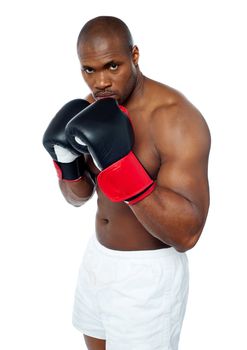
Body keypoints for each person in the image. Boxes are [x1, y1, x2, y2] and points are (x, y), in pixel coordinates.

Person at [43, 16, 210, 350]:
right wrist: (65, 162)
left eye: (113, 66)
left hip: (148, 276)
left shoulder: (174, 117)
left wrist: (123, 167)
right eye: (89, 70)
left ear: (134, 55)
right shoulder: (94, 109)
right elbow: (79, 198)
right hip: (98, 257)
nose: (101, 82)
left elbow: (187, 234)